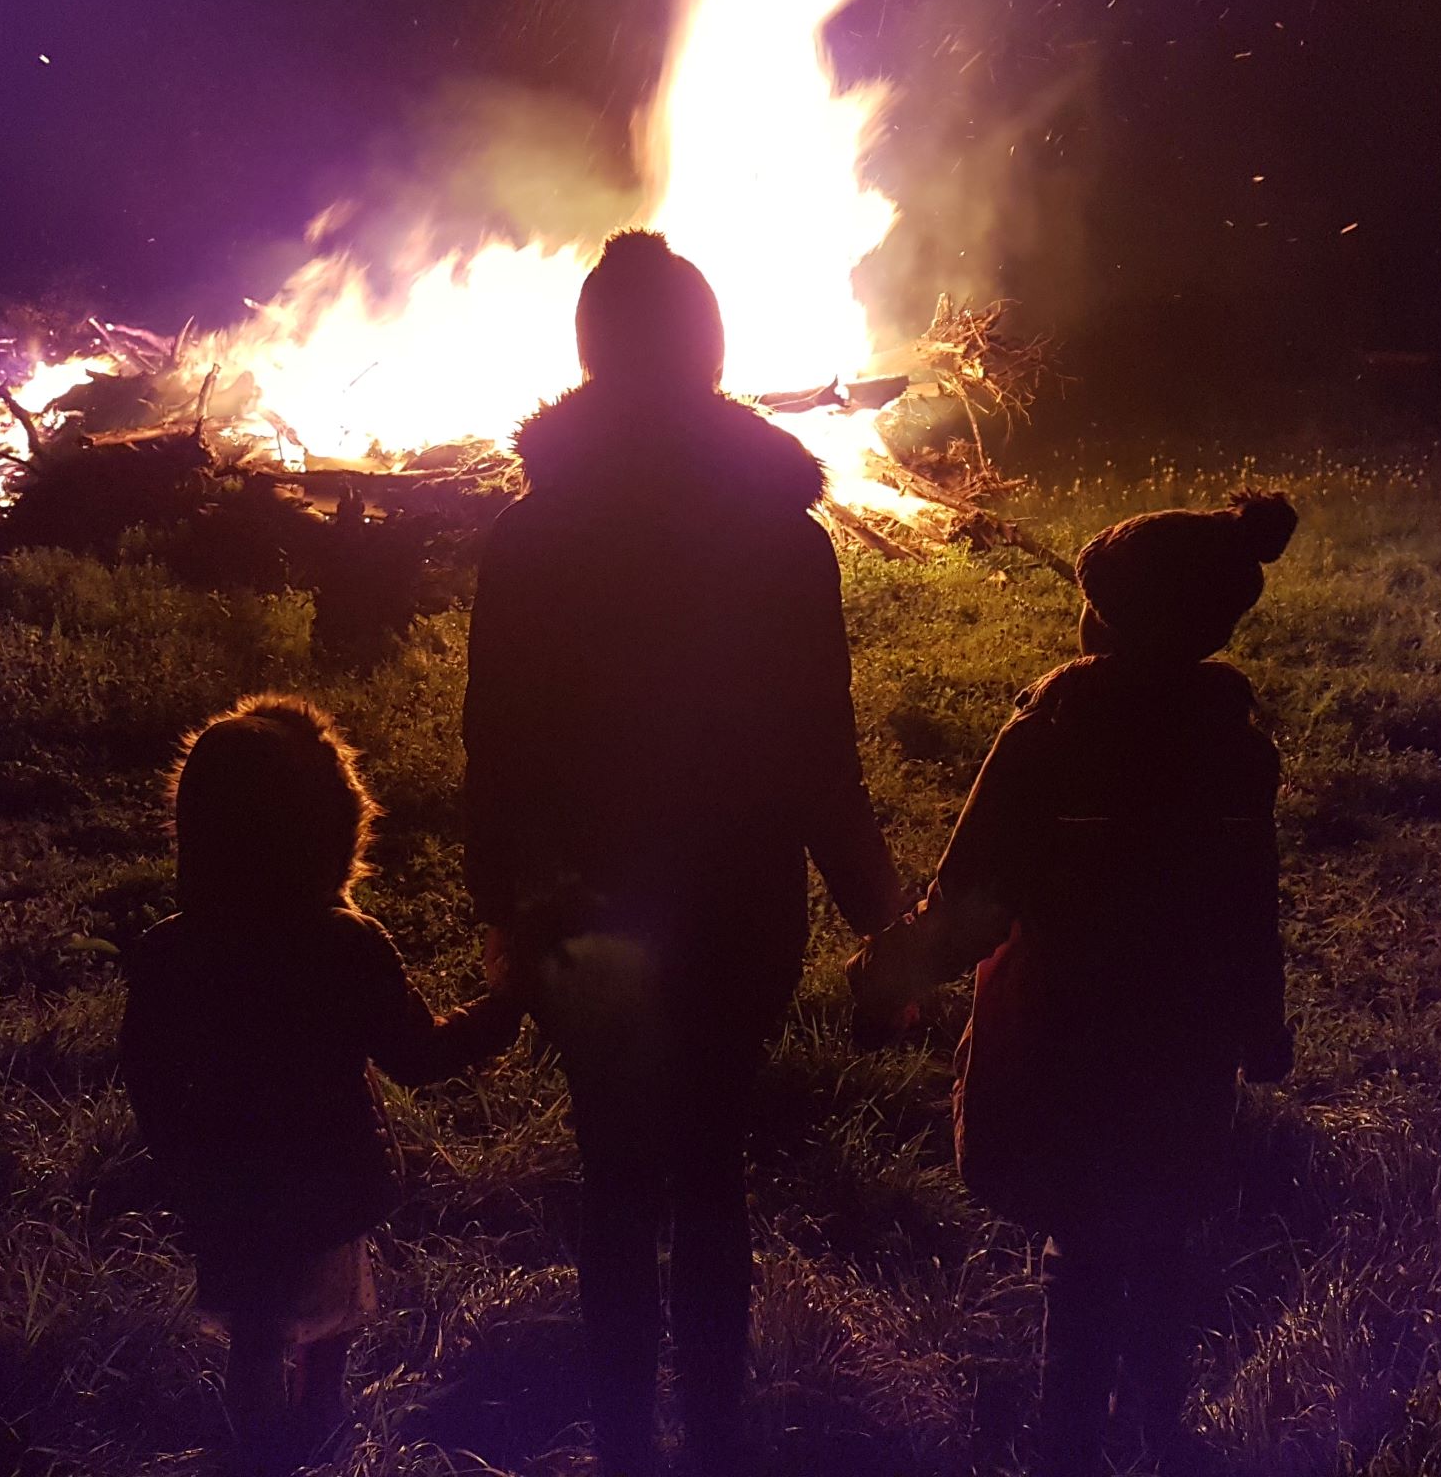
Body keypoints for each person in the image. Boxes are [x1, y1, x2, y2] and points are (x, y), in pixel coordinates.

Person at [463, 229, 901, 1476]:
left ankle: (621, 1442)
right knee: (713, 1169)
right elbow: (824, 755)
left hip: (588, 908)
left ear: (589, 358)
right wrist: (885, 918)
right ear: (713, 355)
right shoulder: (780, 539)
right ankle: (711, 1435)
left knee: (613, 1174)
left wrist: (511, 906)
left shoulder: (530, 538)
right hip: (736, 908)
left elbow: (493, 750)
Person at [850, 492, 1299, 1474]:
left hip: (1060, 1031)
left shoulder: (1050, 735)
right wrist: (1258, 1026)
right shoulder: (1235, 746)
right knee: (1162, 1229)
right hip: (1182, 1039)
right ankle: (1160, 1425)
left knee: (1083, 1244)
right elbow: (1247, 901)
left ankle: (1069, 1441)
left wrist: (890, 974)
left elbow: (971, 892)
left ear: (1109, 617)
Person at [119, 695, 522, 1473]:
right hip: (328, 1179)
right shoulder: (345, 942)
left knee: (254, 1332)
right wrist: (505, 1008)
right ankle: (318, 1436)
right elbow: (418, 1054)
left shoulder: (168, 949)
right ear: (329, 824)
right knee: (330, 1323)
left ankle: (256, 1453)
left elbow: (147, 1071)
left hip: (224, 1180)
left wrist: (181, 1159)